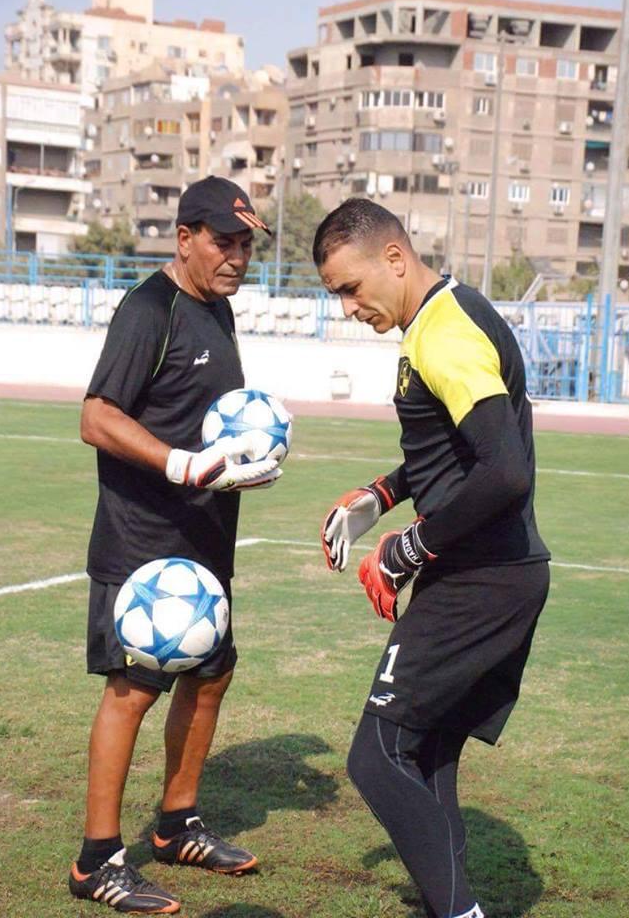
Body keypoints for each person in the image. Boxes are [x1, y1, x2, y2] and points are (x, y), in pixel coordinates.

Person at [315, 198, 550, 918]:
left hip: (476, 580)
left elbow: (504, 471)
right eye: (335, 296)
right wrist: (381, 495)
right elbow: (457, 451)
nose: (348, 307)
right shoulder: (446, 315)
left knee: (375, 756)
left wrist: (405, 550)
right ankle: (450, 905)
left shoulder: (444, 335)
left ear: (393, 257)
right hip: (496, 573)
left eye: (351, 288)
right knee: (427, 754)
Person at [69, 177, 280, 914]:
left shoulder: (216, 310)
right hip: (142, 543)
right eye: (224, 241)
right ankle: (97, 860)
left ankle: (176, 824)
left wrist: (239, 462)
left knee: (213, 673)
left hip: (204, 537)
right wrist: (176, 463)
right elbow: (97, 417)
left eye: (246, 244)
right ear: (183, 237)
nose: (236, 256)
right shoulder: (147, 311)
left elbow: (204, 420)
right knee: (132, 691)